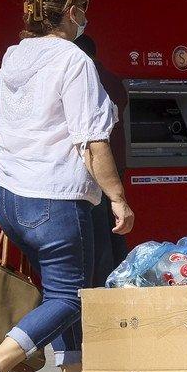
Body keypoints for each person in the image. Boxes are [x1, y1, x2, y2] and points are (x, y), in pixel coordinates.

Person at [0, 0, 135, 372]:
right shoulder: (73, 60)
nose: (86, 18)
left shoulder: (11, 62)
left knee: (65, 292)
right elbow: (92, 141)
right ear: (71, 11)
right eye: (84, 10)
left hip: (9, 198)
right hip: (55, 199)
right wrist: (117, 197)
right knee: (70, 297)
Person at [73, 34, 130, 287]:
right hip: (117, 166)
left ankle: (100, 291)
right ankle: (117, 285)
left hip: (92, 168)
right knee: (116, 230)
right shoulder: (115, 81)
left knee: (97, 237)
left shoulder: (85, 79)